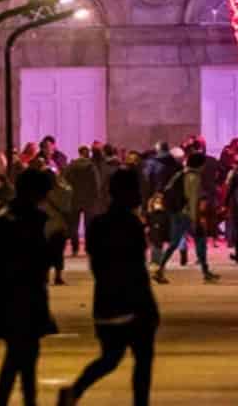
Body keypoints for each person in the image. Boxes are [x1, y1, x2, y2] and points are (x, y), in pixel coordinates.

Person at [58, 169, 158, 406]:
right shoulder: (132, 225)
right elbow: (137, 267)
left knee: (111, 357)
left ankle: (75, 391)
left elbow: (97, 265)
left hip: (106, 300)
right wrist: (147, 306)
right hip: (134, 302)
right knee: (142, 359)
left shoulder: (99, 224)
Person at [0, 168, 59, 406]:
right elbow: (38, 259)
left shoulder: (2, 219)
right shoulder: (32, 220)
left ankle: (24, 400)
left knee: (22, 355)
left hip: (9, 295)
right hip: (25, 295)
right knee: (22, 356)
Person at [151, 144, 221, 284]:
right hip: (187, 215)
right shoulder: (194, 177)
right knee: (200, 241)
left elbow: (168, 189)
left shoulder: (180, 173)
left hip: (176, 212)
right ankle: (206, 272)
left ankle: (160, 270)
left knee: (174, 243)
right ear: (199, 164)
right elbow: (193, 200)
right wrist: (196, 221)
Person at [62, 146, 100, 258]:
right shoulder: (92, 167)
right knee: (89, 226)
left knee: (74, 225)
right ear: (88, 153)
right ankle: (88, 249)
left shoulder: (71, 166)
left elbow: (65, 181)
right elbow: (96, 184)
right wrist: (95, 197)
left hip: (74, 199)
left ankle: (75, 248)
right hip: (89, 200)